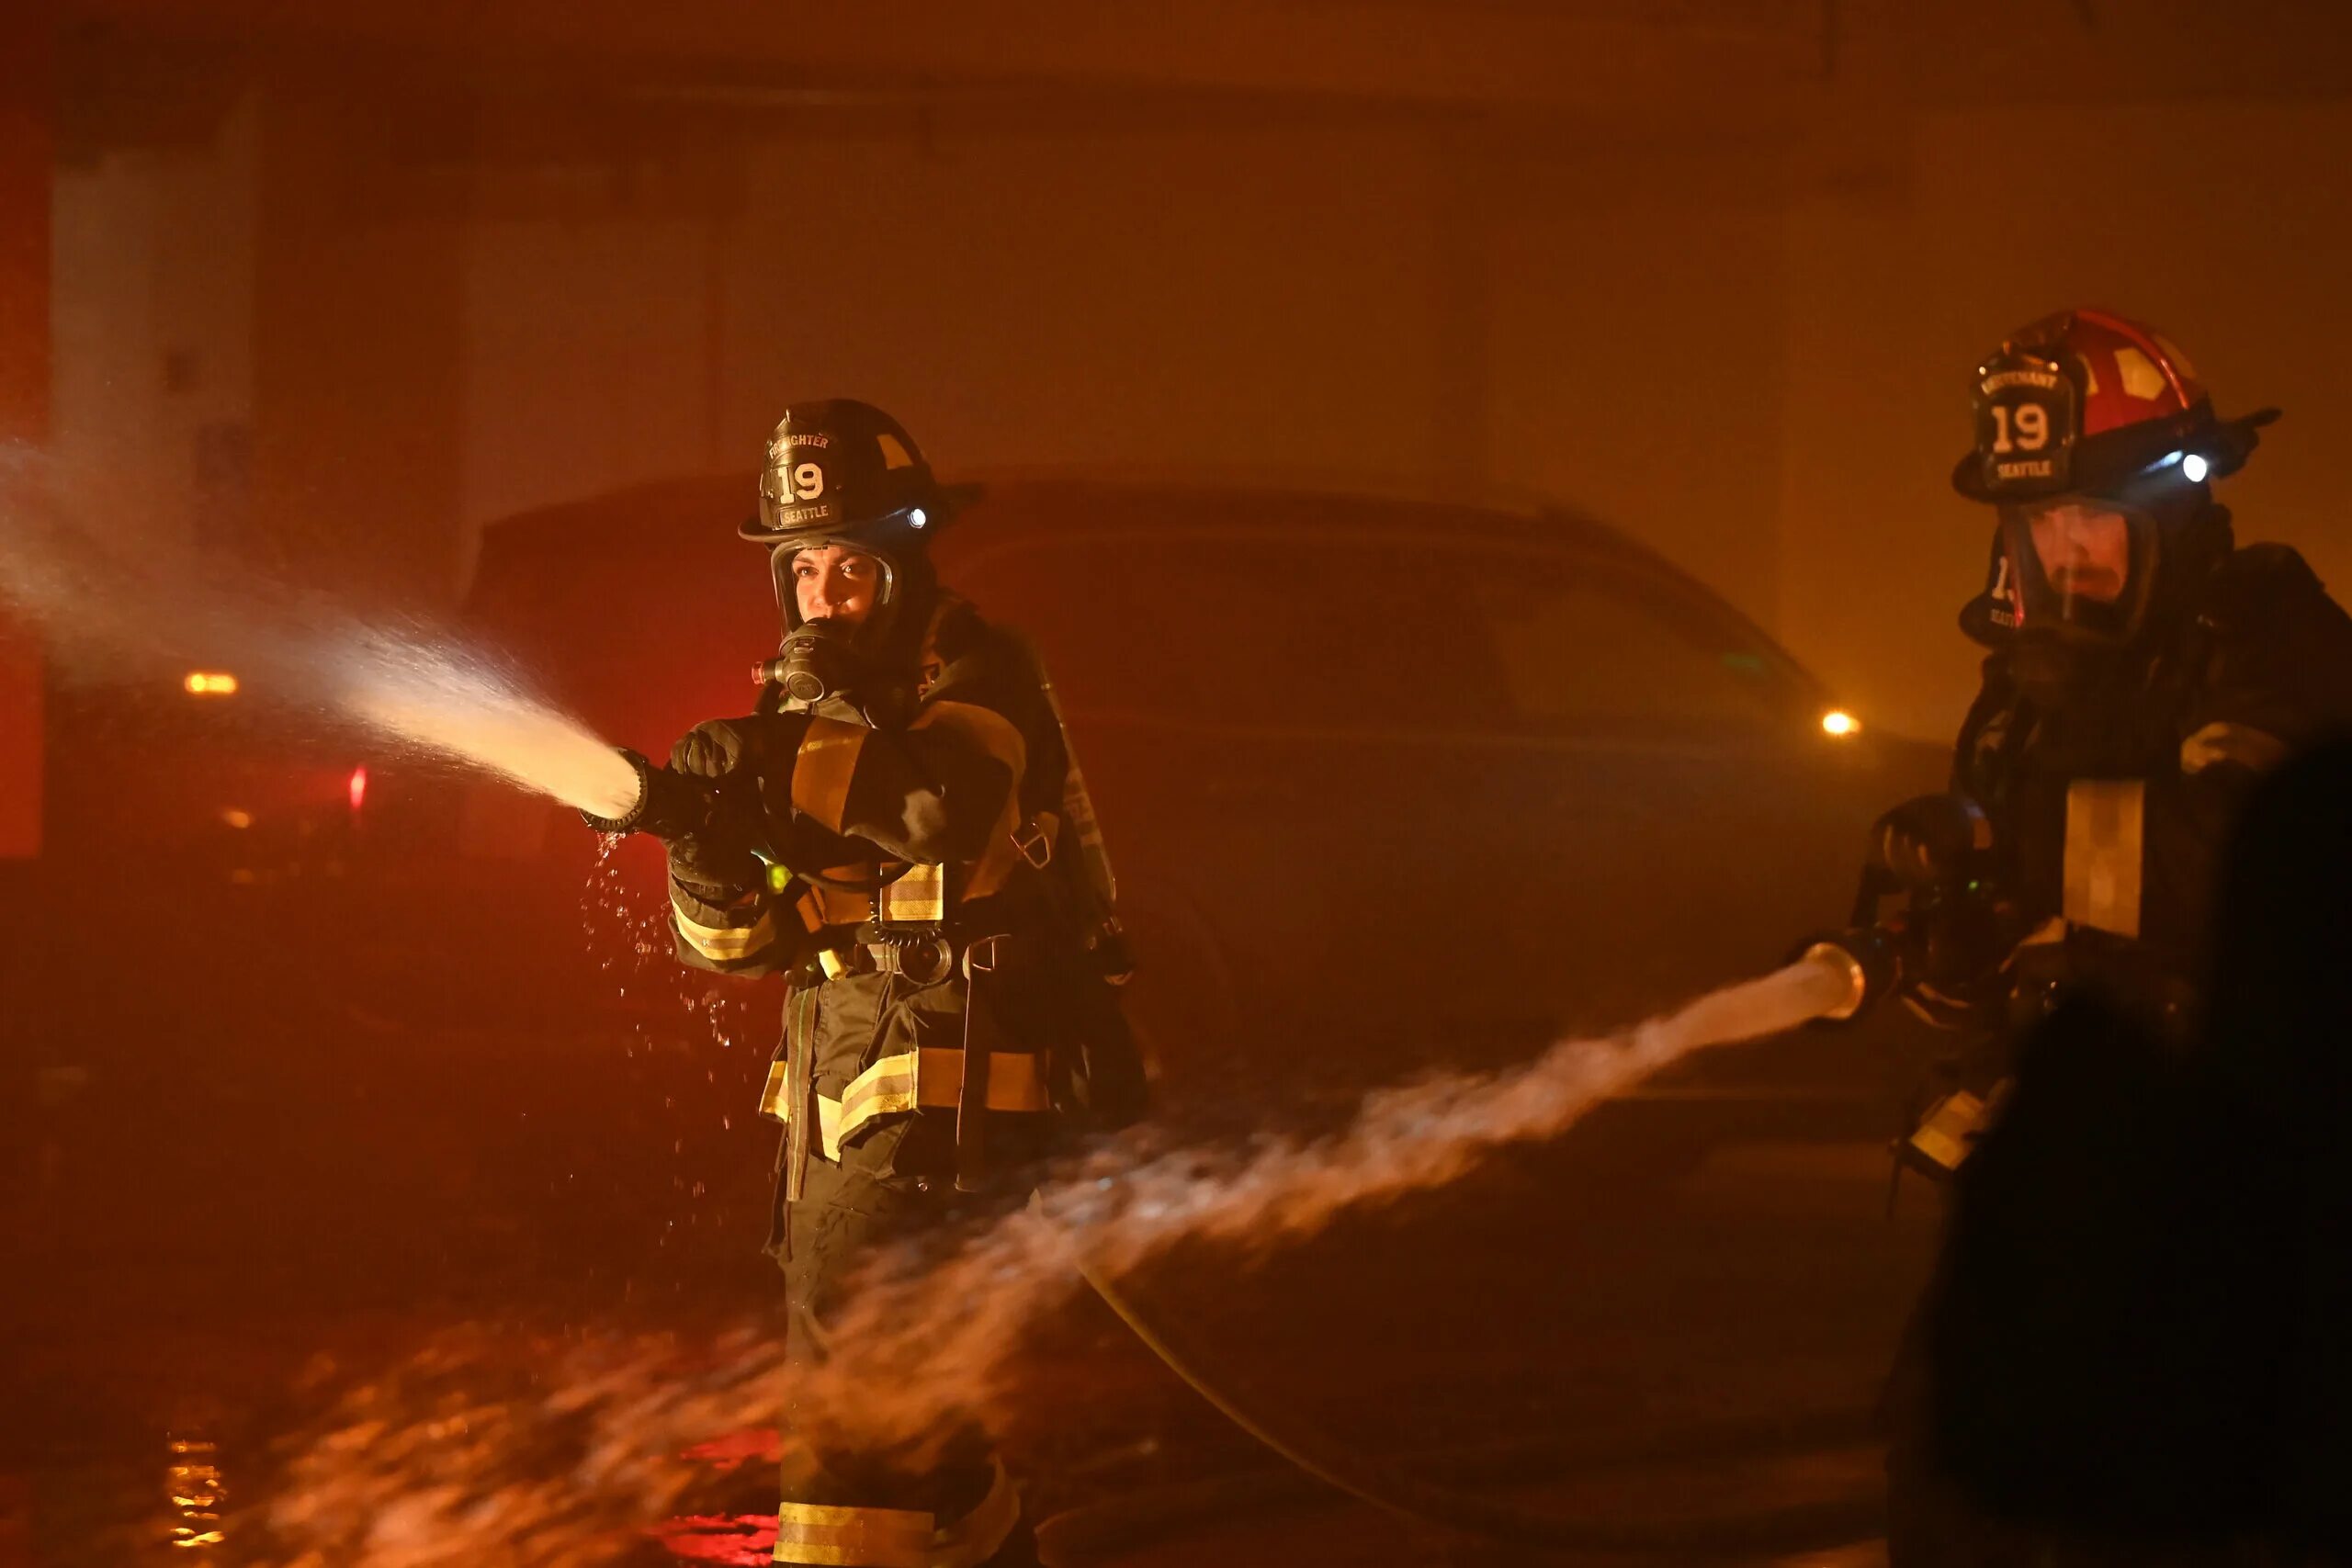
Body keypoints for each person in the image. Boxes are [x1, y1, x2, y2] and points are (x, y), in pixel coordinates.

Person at [1853, 309, 2352, 1565]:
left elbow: (2220, 859)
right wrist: (1951, 916)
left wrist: (2059, 846)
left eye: (2093, 523)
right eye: (2039, 526)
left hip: (2254, 1193)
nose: (2063, 557)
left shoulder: (2277, 650)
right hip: (2080, 1170)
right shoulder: (2041, 681)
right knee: (1944, 1451)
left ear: (2176, 510)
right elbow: (2024, 942)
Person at [650, 400, 1143, 1568]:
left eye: (850, 569)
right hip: (837, 1117)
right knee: (931, 1438)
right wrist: (701, 844)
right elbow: (740, 948)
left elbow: (932, 809)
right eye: (803, 569)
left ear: (906, 564)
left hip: (940, 1121)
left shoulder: (974, 671)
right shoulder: (802, 708)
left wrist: (761, 753)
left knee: (852, 1446)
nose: (823, 598)